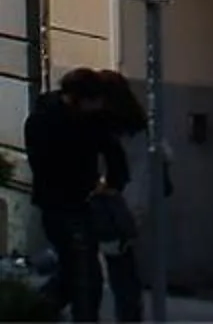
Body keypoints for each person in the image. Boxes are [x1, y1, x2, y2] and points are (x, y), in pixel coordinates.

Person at [24, 68, 123, 323]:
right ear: (80, 97)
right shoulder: (46, 120)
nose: (99, 105)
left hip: (78, 201)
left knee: (76, 273)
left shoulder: (92, 119)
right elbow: (44, 164)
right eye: (94, 100)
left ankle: (36, 309)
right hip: (61, 203)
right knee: (85, 275)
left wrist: (112, 182)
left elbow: (113, 152)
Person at [90, 73, 151, 324]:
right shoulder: (137, 127)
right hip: (127, 205)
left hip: (109, 204)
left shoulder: (104, 128)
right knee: (122, 270)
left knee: (88, 269)